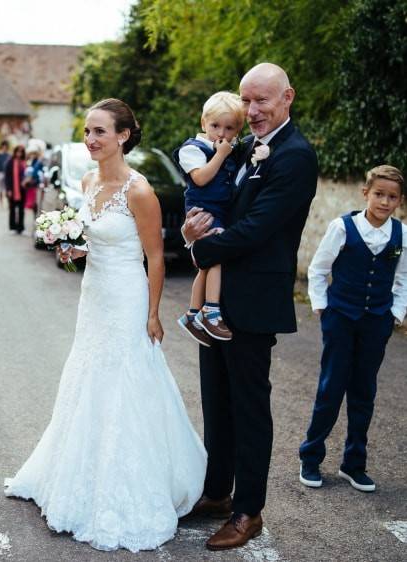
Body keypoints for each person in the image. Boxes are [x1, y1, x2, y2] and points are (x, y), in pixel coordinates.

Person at [4, 98, 207, 552]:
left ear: (123, 136)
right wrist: (72, 250)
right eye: (87, 131)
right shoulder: (88, 180)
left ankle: (132, 481)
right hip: (93, 296)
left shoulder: (139, 191)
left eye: (99, 131)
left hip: (127, 297)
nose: (90, 139)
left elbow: (155, 256)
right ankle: (77, 472)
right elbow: (93, 241)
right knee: (89, 375)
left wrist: (153, 313)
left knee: (127, 380)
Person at [181, 62, 318, 551]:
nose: (252, 110)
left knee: (249, 407)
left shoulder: (295, 156)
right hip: (220, 299)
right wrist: (191, 229)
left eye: (262, 100)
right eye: (246, 99)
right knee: (216, 401)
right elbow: (210, 199)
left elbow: (258, 228)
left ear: (287, 98)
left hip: (254, 299)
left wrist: (199, 251)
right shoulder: (240, 147)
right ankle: (217, 493)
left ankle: (248, 511)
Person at [299, 165, 405, 493]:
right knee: (331, 389)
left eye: (392, 197)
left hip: (377, 321)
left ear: (399, 201)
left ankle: (353, 463)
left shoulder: (401, 234)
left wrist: (394, 315)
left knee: (364, 392)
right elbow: (318, 269)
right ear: (365, 194)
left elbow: (403, 279)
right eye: (379, 194)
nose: (384, 202)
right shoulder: (343, 227)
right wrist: (322, 307)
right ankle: (311, 457)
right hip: (341, 318)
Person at [175, 92, 245, 344]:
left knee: (206, 266)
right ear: (203, 123)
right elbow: (201, 178)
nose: (221, 134)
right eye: (215, 126)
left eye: (230, 128)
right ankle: (211, 311)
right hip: (203, 211)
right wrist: (221, 154)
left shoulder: (228, 149)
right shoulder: (192, 149)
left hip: (220, 212)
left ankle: (192, 314)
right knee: (215, 260)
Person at [4, 145, 27, 234]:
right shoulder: (10, 162)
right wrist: (8, 189)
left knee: (21, 209)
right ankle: (13, 227)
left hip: (22, 189)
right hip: (13, 189)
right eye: (18, 152)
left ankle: (20, 228)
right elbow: (7, 177)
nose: (19, 154)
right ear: (15, 152)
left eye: (21, 152)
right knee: (12, 209)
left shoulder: (24, 162)